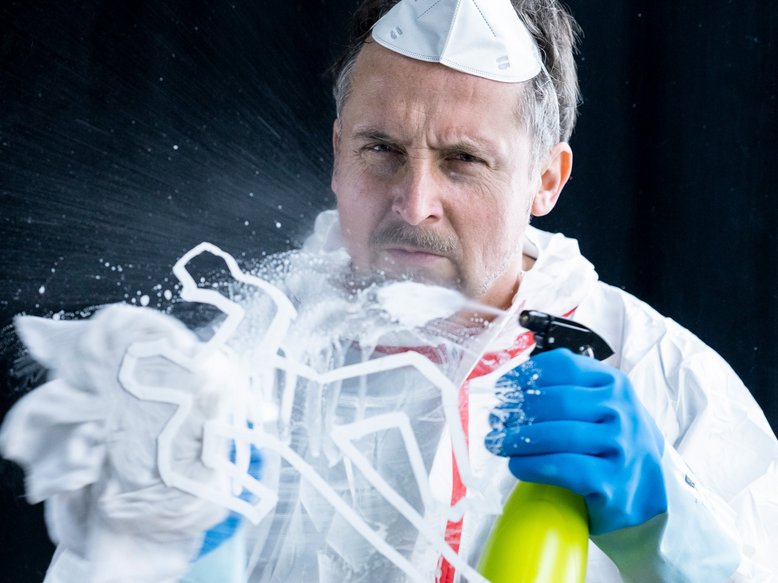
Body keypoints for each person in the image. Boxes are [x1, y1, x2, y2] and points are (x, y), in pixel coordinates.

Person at [307, 0, 777, 580]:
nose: (415, 203)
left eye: (464, 159)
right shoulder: (246, 353)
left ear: (546, 180)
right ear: (338, 152)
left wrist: (669, 534)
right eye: (382, 149)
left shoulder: (666, 377)